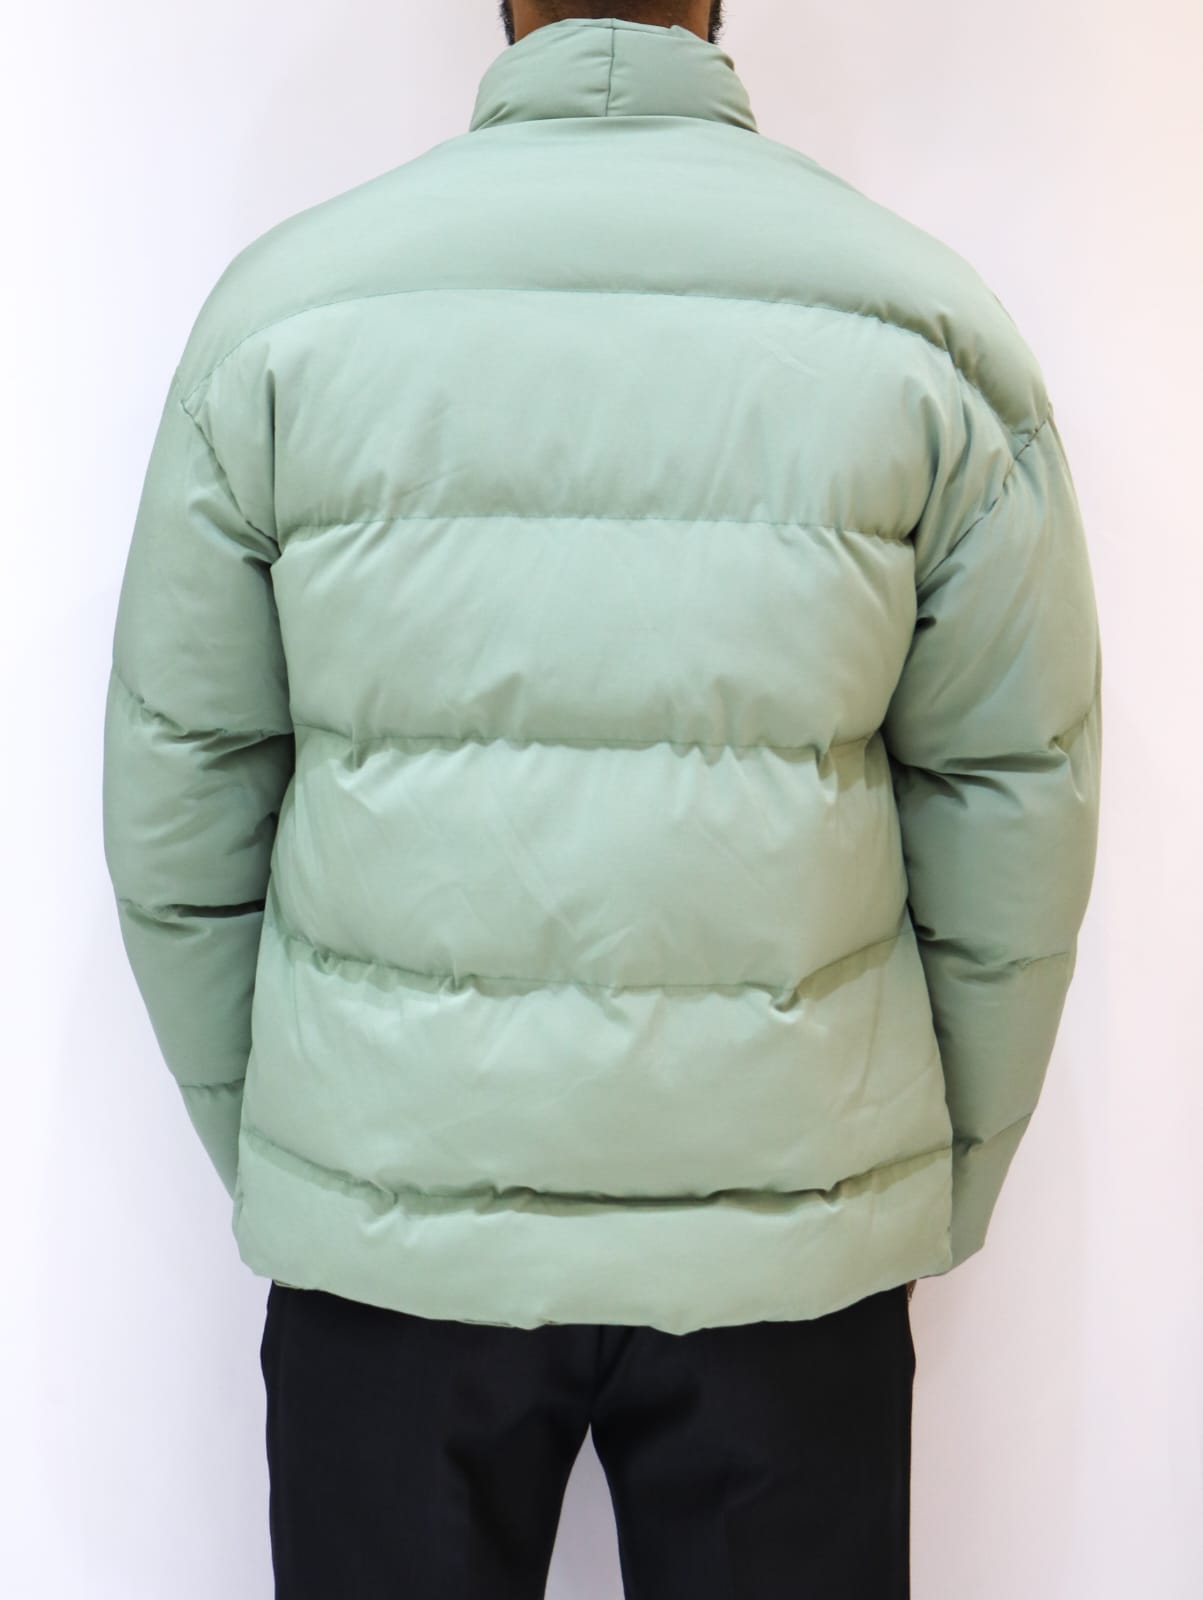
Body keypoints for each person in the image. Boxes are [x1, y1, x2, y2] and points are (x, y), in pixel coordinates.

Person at [101, 3, 1103, 1595]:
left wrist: (322, 1160)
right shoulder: (920, 330)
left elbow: (181, 804)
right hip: (787, 1242)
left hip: (393, 1226)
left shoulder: (285, 320)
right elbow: (1013, 808)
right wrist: (906, 1190)